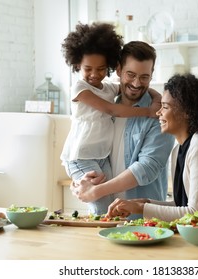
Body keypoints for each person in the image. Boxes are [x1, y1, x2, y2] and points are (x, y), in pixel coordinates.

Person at [106, 74, 198, 231]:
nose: (158, 113)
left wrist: (140, 208)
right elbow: (182, 207)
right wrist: (143, 203)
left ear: (187, 111)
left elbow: (195, 214)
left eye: (165, 107)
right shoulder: (178, 150)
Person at [60, 23, 161, 215]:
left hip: (138, 215)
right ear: (119, 70)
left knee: (102, 202)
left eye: (144, 77)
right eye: (130, 74)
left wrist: (158, 99)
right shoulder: (83, 90)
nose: (137, 83)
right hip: (82, 156)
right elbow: (111, 109)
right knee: (100, 206)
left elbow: (146, 167)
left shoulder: (108, 90)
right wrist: (148, 111)